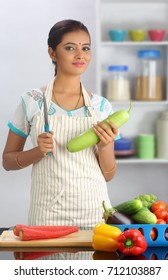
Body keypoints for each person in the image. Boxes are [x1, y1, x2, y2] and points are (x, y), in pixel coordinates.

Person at [2, 19, 119, 230]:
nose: (80, 55)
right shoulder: (32, 101)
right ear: (52, 53)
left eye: (85, 48)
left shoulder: (101, 106)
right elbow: (8, 161)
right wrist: (37, 151)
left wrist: (105, 147)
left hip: (94, 214)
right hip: (47, 215)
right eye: (70, 48)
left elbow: (109, 175)